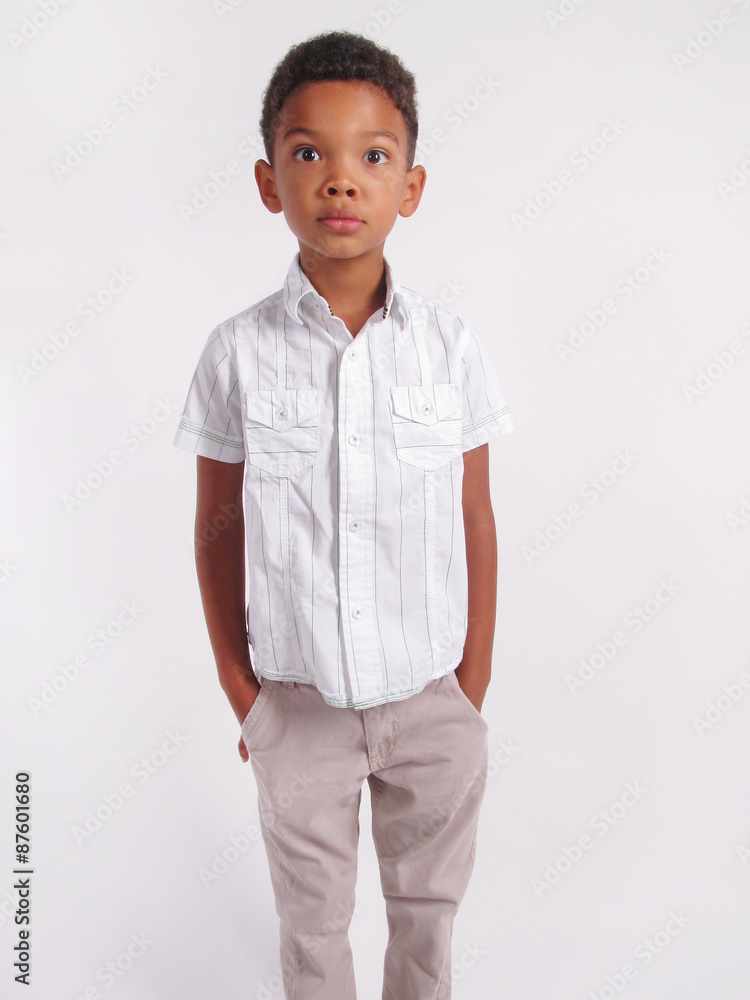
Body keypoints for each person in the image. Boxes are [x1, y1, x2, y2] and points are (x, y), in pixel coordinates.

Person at [173, 29, 514, 1000]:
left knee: (427, 921)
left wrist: (470, 686)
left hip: (432, 701)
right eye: (307, 151)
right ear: (267, 181)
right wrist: (245, 692)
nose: (340, 179)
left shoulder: (450, 346)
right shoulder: (237, 352)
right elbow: (216, 526)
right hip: (299, 705)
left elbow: (476, 517)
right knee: (313, 930)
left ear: (410, 186)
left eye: (372, 154)